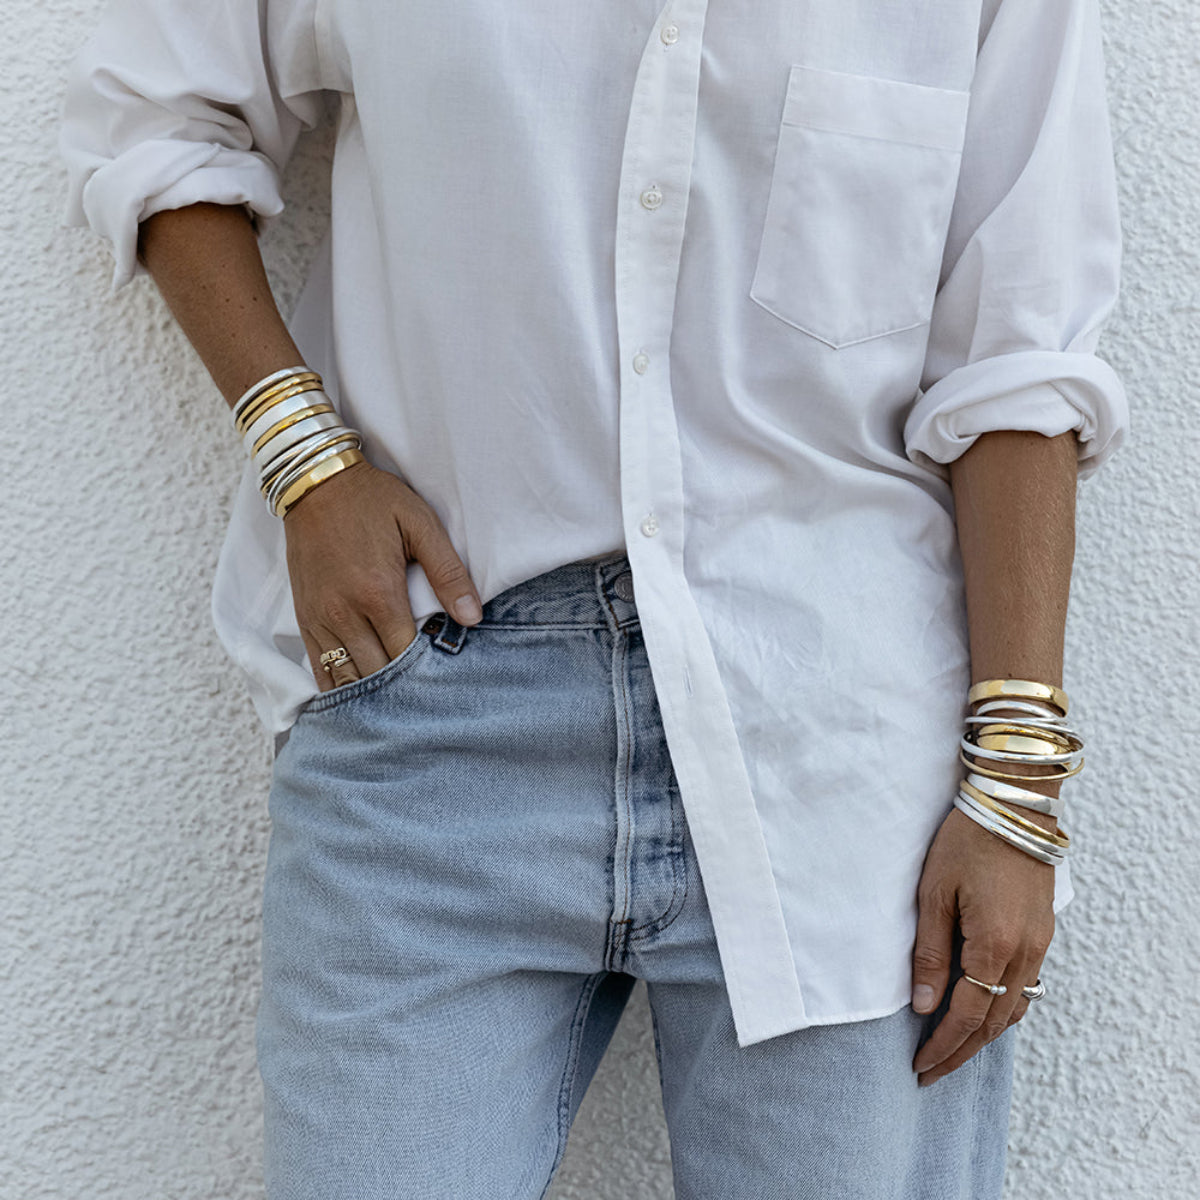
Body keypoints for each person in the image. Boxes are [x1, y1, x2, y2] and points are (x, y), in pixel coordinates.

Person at [58, 0, 1127, 1196]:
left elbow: (1018, 357)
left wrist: (1017, 782)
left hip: (843, 761)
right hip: (439, 711)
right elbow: (155, 116)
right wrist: (306, 458)